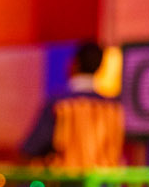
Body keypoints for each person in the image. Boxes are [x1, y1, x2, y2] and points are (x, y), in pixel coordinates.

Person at [20, 40, 123, 169]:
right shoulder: (113, 108)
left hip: (68, 183)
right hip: (104, 185)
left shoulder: (60, 105)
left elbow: (34, 146)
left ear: (74, 64)